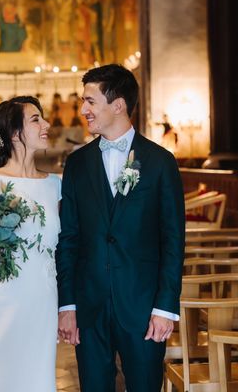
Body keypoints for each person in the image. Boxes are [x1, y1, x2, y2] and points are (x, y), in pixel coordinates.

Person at [56, 64, 185, 391]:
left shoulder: (159, 162)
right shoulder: (77, 164)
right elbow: (68, 239)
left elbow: (173, 240)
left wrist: (165, 307)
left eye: (90, 101)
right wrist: (67, 305)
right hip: (89, 307)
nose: (83, 110)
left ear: (118, 105)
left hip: (143, 308)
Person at [0, 96, 61, 392]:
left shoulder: (56, 185)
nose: (46, 125)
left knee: (36, 379)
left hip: (41, 301)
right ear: (14, 133)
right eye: (36, 119)